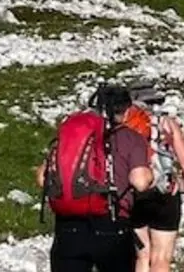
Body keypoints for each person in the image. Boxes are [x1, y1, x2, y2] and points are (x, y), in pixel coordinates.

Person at [38, 85, 155, 272]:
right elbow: (140, 182)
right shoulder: (131, 138)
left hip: (68, 227)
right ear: (127, 111)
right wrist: (152, 178)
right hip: (112, 225)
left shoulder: (74, 134)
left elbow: (41, 178)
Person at [127, 81, 184, 272]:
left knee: (142, 256)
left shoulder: (125, 124)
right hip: (166, 192)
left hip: (135, 193)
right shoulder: (167, 123)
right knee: (161, 257)